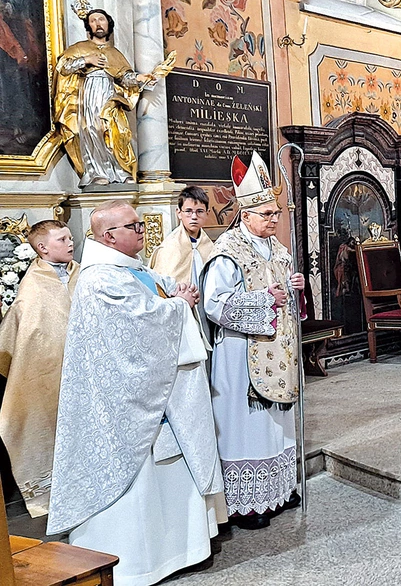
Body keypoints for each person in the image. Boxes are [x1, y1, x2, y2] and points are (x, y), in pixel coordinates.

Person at [48, 201, 221, 584]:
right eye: (134, 226)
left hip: (156, 397)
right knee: (138, 489)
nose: (143, 231)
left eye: (141, 224)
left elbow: (154, 296)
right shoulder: (99, 280)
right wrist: (178, 306)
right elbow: (138, 329)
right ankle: (138, 562)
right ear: (109, 236)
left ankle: (181, 549)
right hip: (124, 409)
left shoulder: (131, 268)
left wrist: (174, 291)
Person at [203, 152, 305, 530]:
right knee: (248, 426)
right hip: (241, 353)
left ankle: (280, 488)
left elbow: (286, 297)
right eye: (266, 214)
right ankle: (247, 504)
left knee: (278, 424)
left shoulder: (279, 249)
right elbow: (215, 304)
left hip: (278, 350)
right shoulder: (227, 251)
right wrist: (264, 300)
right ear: (245, 215)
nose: (274, 219)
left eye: (276, 213)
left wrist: (295, 287)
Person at [0, 220, 78, 518]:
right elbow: (29, 334)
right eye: (62, 240)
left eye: (70, 237)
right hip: (48, 376)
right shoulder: (32, 286)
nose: (70, 243)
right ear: (42, 248)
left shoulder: (81, 273)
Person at [53, 9, 156, 186]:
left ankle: (120, 170)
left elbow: (124, 77)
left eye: (101, 19)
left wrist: (139, 78)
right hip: (89, 93)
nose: (98, 24)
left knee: (115, 130)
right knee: (92, 129)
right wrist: (86, 60)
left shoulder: (115, 53)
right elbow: (64, 68)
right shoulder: (79, 48)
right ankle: (96, 172)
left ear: (109, 24)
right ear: (89, 27)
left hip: (109, 96)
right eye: (93, 21)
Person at [151, 186, 217, 350]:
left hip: (207, 311)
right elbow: (160, 289)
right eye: (188, 211)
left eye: (199, 211)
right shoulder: (169, 248)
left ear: (207, 214)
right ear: (178, 213)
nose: (194, 216)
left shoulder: (211, 246)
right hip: (182, 315)